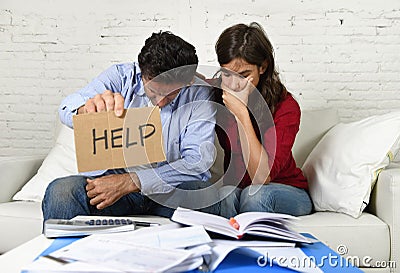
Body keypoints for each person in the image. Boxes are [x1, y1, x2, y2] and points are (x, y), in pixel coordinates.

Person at [42, 31, 219, 221]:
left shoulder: (199, 94)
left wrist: (133, 181)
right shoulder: (120, 76)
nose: (160, 102)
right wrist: (85, 110)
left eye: (171, 95)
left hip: (169, 187)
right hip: (111, 182)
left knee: (203, 195)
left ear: (188, 82)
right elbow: (66, 108)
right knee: (61, 192)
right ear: (142, 73)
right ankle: (64, 251)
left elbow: (198, 163)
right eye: (153, 91)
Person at [214, 22, 313, 218]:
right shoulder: (217, 94)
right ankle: (231, 248)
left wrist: (241, 113)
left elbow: (261, 177)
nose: (233, 85)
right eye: (227, 74)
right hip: (239, 191)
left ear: (262, 67)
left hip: (284, 190)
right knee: (224, 194)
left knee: (255, 196)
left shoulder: (286, 106)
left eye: (243, 75)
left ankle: (259, 249)